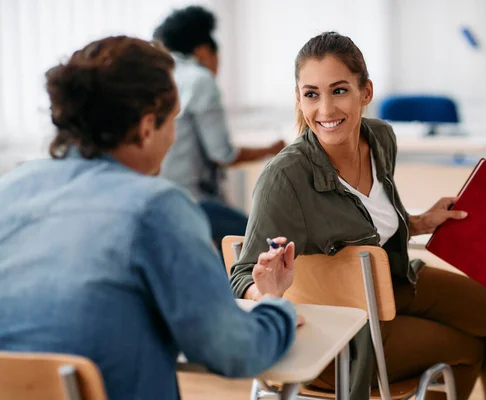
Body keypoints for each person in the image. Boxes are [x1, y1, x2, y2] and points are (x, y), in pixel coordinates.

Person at [0, 36, 299, 400]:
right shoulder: (156, 208)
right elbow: (234, 351)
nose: (173, 138)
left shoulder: (10, 188)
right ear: (145, 128)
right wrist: (275, 308)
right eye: (172, 122)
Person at [230, 32, 486, 400]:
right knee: (469, 346)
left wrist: (419, 222)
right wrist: (266, 290)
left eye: (339, 91)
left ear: (365, 92)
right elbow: (240, 275)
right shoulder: (285, 177)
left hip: (395, 281)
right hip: (345, 332)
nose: (326, 110)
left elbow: (370, 230)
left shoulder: (381, 138)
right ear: (299, 98)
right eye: (311, 94)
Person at [153, 6, 285, 249]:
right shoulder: (199, 79)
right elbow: (222, 155)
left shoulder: (156, 76)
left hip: (155, 200)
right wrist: (274, 148)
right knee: (268, 243)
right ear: (204, 51)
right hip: (191, 201)